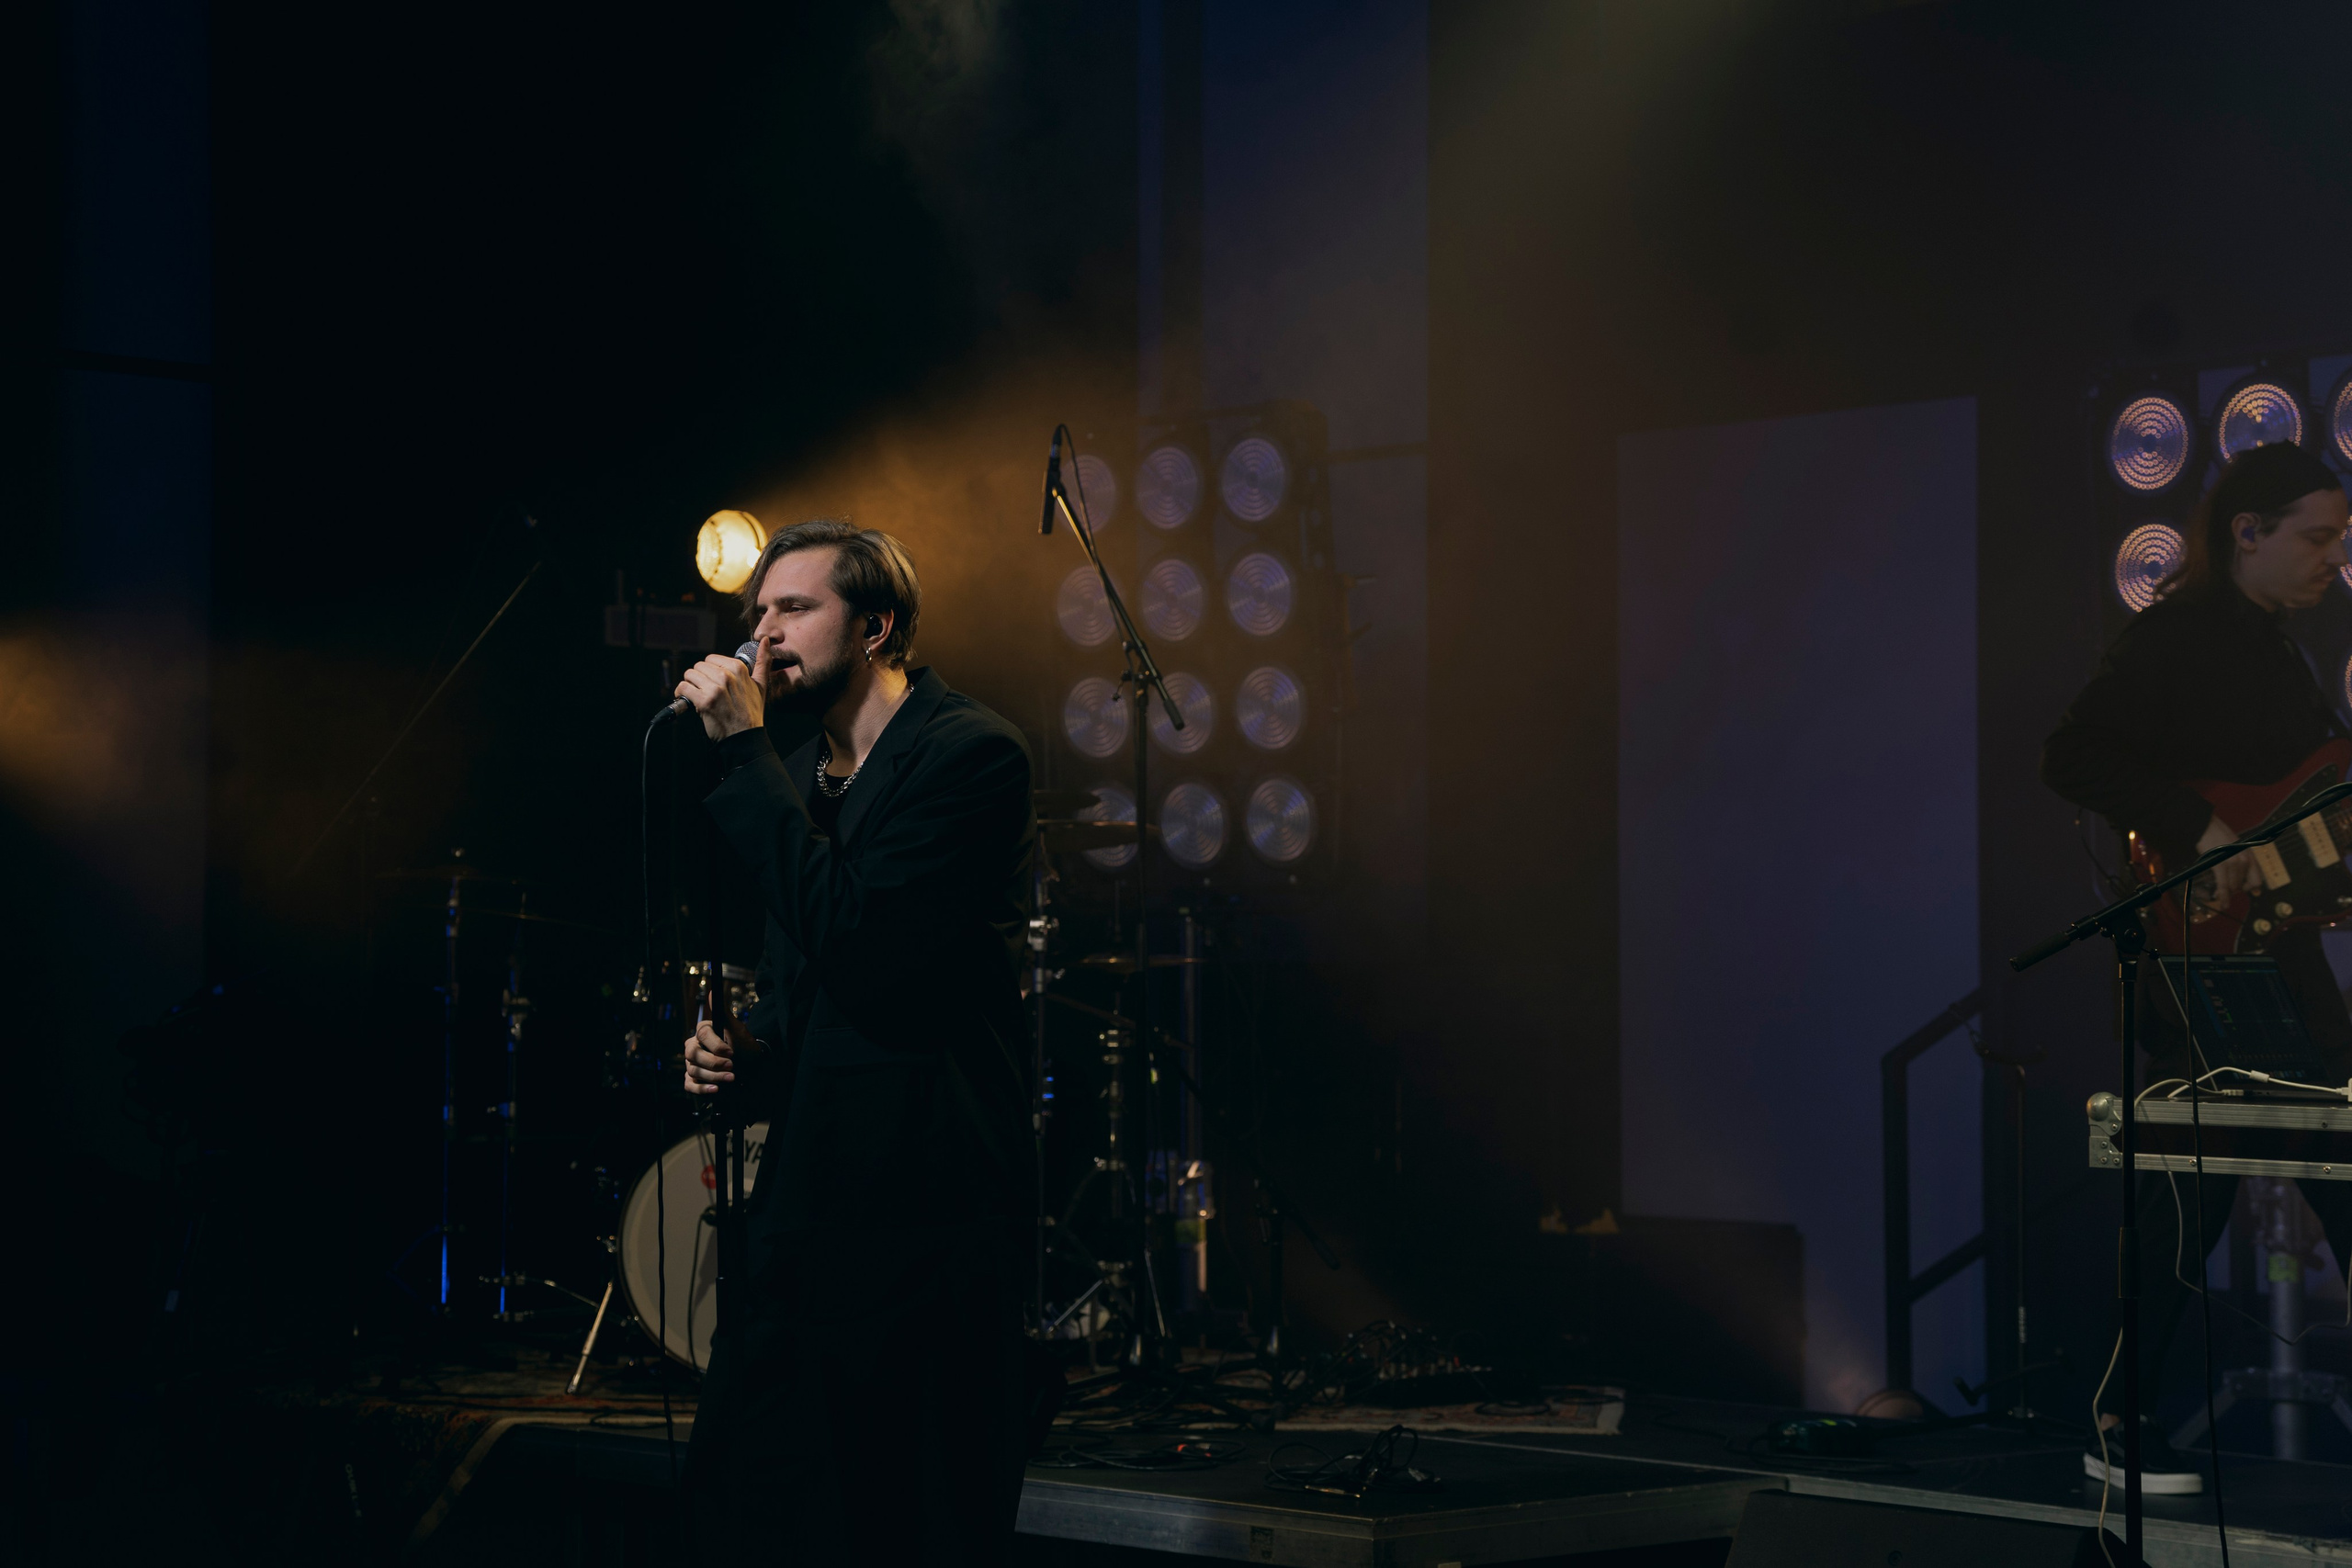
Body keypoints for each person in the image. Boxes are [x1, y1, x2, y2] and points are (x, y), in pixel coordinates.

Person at [671, 518, 1036, 1561]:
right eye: (756, 614)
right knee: (752, 1506)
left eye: (794, 608)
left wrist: (741, 754)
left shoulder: (968, 755)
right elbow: (811, 989)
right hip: (811, 1204)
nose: (762, 635)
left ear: (875, 627)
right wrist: (746, 1049)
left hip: (925, 1209)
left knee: (904, 1516)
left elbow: (875, 959)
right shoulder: (797, 774)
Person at [2043, 440, 2352, 1492]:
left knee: (2331, 1152)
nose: (2332, 559)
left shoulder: (2284, 650)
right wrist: (2205, 832)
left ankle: (2116, 1422)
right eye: (2315, 538)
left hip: (2282, 944)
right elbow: (2073, 753)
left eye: (2340, 539)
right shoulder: (2177, 632)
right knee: (2187, 1183)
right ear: (2246, 534)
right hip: (2199, 947)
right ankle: (2115, 1425)